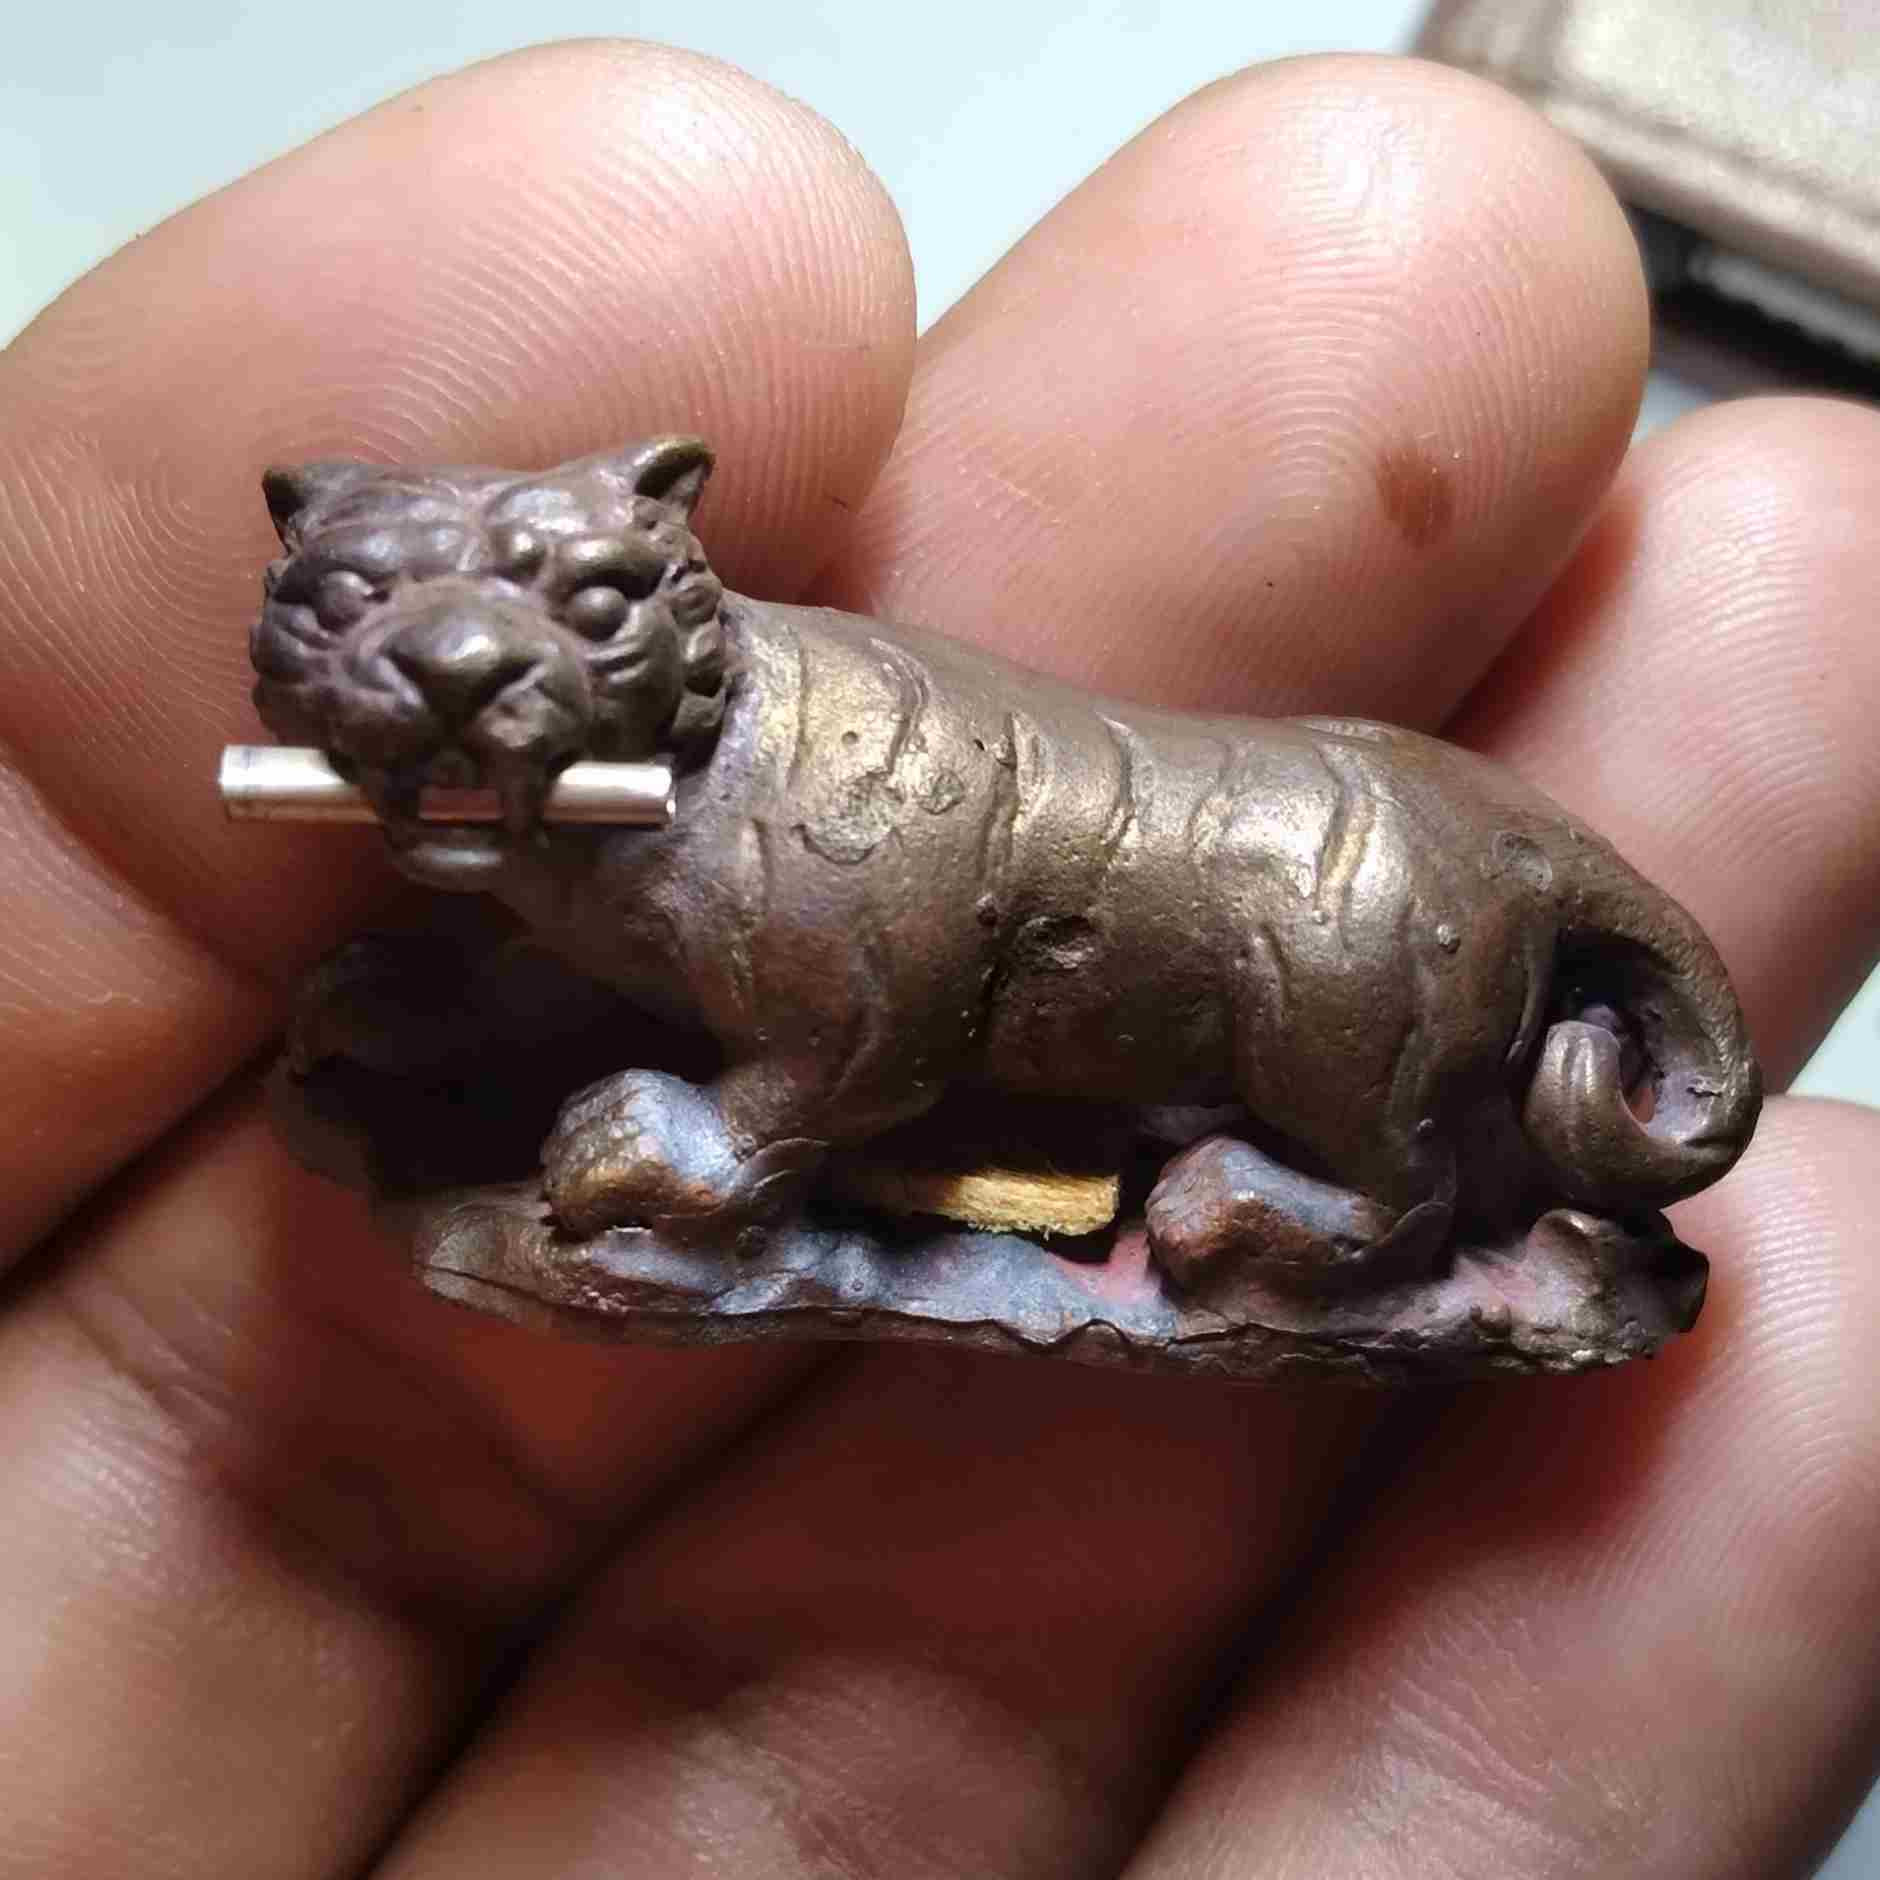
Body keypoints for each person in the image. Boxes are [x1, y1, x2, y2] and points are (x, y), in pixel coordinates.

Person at [1, 39, 1876, 1879]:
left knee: (1304, 950)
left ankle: (1372, 1194)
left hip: (1352, 882)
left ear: (673, 583)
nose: (455, 661)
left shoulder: (804, 798)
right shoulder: (594, 814)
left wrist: (733, 1140)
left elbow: (869, 1026)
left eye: (571, 608)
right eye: (356, 604)